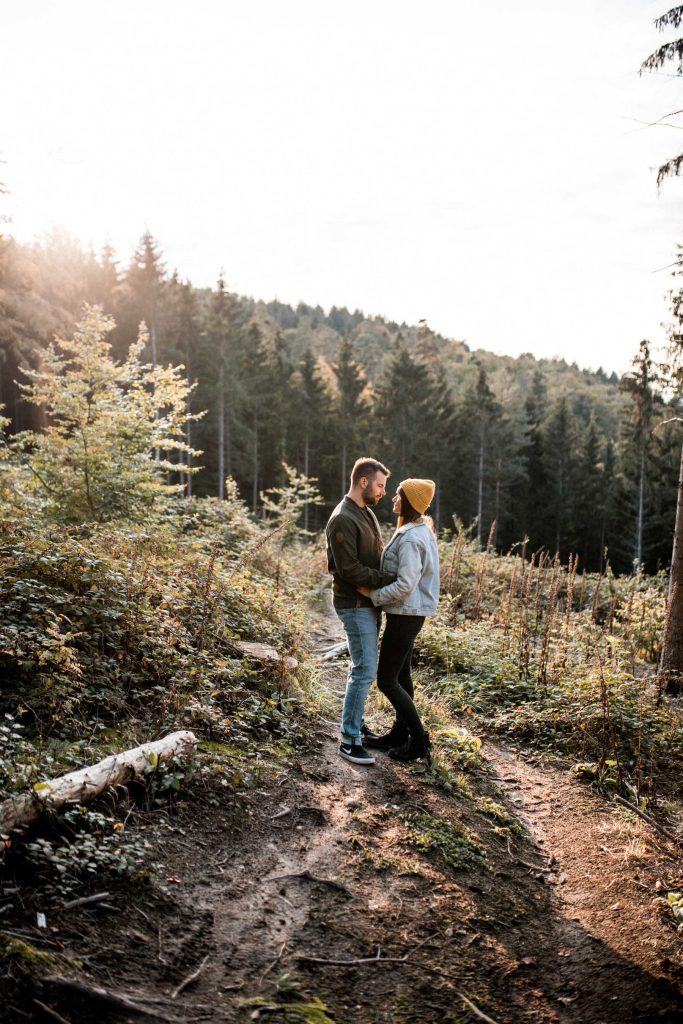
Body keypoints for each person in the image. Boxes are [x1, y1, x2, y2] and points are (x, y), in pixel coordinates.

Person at [357, 478, 439, 763]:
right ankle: (399, 733)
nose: (392, 498)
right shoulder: (415, 530)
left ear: (409, 502)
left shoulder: (413, 538)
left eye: (397, 495)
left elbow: (406, 584)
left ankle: (420, 740)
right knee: (402, 676)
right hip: (407, 613)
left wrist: (373, 594)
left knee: (387, 680)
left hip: (406, 614)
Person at [326, 457, 394, 766]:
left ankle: (356, 725)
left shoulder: (366, 513)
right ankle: (348, 740)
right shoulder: (343, 518)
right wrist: (388, 581)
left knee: (364, 666)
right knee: (364, 669)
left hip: (367, 602)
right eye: (380, 485)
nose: (383, 492)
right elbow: (349, 570)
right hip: (353, 604)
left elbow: (375, 555)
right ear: (363, 482)